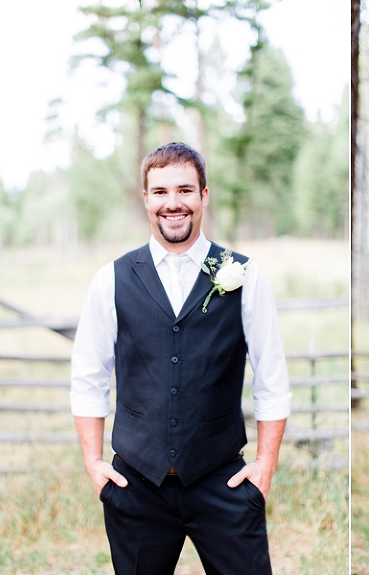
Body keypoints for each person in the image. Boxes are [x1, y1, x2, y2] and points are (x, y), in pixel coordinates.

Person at [70, 142, 290, 575]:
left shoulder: (244, 274)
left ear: (204, 196)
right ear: (146, 198)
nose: (174, 204)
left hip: (223, 480)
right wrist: (94, 464)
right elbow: (88, 377)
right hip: (136, 486)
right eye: (161, 192)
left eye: (186, 191)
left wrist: (264, 467)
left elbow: (272, 378)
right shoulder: (110, 279)